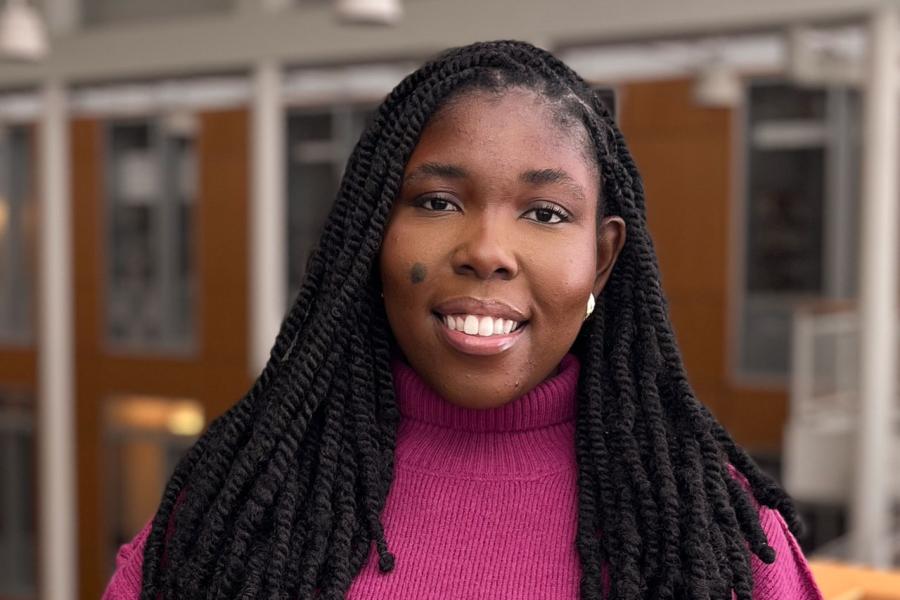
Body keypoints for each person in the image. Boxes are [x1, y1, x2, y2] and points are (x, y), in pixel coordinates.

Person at [102, 40, 823, 599]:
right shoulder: (231, 513)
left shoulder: (719, 537)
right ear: (372, 234)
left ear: (602, 259)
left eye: (546, 213)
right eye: (438, 202)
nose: (486, 252)